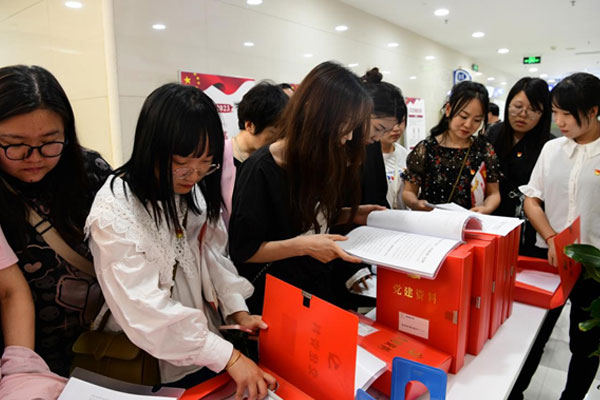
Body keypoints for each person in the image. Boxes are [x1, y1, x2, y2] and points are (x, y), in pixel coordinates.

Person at [86, 83, 275, 397]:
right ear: (151, 147)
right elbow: (145, 307)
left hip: (205, 346)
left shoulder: (190, 190)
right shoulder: (115, 212)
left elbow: (211, 255)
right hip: (151, 357)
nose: (195, 175)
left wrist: (237, 311)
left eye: (206, 163)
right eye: (182, 164)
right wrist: (229, 356)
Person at [229, 61, 384, 314]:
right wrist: (304, 246)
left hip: (317, 288)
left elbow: (311, 218)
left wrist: (351, 214)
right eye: (346, 124)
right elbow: (244, 250)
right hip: (276, 299)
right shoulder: (260, 169)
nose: (349, 136)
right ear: (317, 114)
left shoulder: (324, 160)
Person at [0, 65, 111, 376]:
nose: (34, 157)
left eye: (50, 141)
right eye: (15, 145)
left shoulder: (90, 171)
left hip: (101, 350)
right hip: (22, 361)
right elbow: (9, 292)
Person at [510, 72, 600, 400]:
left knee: (585, 344)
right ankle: (515, 393)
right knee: (534, 335)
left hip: (594, 266)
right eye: (555, 113)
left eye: (567, 114)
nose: (559, 122)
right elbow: (531, 200)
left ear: (593, 111)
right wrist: (550, 237)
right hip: (550, 258)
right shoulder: (552, 149)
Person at [402, 81, 501, 213]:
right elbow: (408, 191)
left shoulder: (484, 150)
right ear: (448, 110)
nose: (468, 124)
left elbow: (494, 193)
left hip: (470, 220)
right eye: (463, 116)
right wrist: (415, 203)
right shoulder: (426, 148)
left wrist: (486, 208)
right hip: (432, 220)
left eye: (477, 120)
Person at [486, 78, 552, 256]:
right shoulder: (493, 133)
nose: (523, 114)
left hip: (531, 225)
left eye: (533, 110)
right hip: (493, 218)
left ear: (544, 113)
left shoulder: (550, 145)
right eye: (517, 106)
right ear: (508, 104)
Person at [221, 82, 288, 226]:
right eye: (274, 133)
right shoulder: (219, 156)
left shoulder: (273, 161)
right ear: (250, 125)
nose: (279, 141)